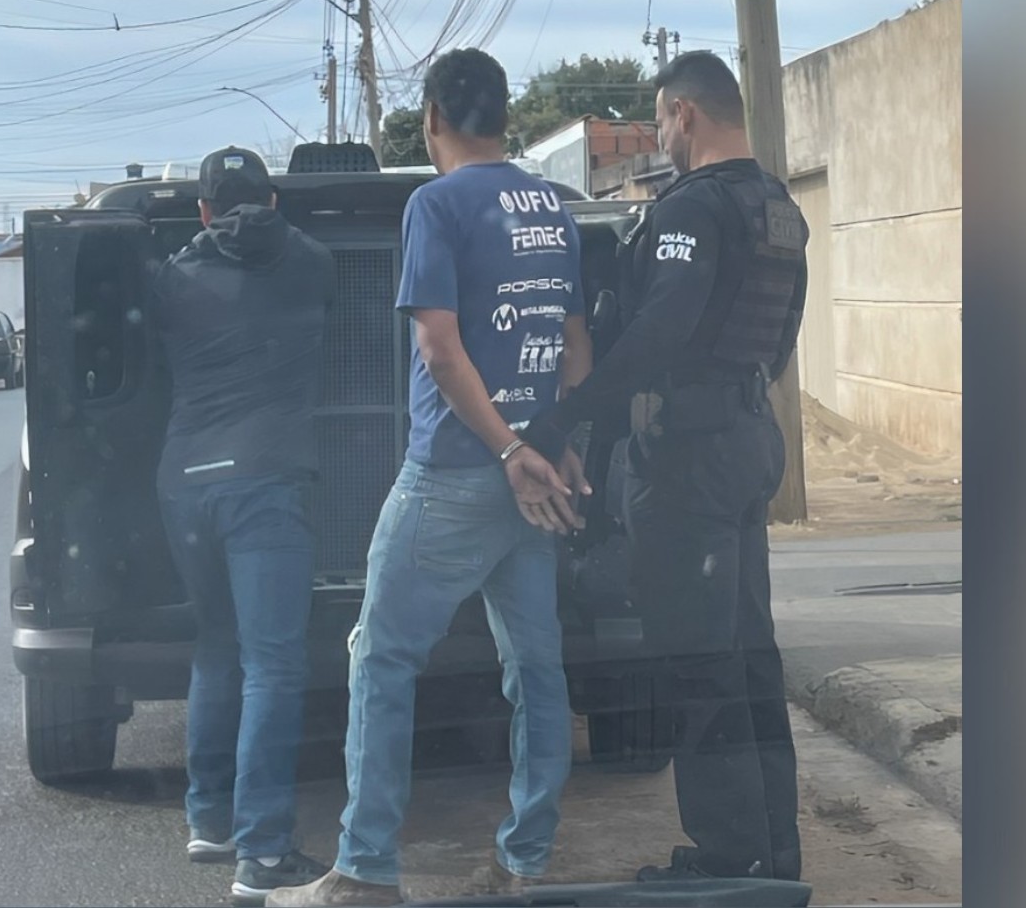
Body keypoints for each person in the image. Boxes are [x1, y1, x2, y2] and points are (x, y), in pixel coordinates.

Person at [268, 49, 591, 908]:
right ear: (508, 116)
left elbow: (440, 350)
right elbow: (572, 342)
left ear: (433, 120)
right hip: (533, 474)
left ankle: (365, 871)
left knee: (380, 659)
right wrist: (554, 445)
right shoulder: (552, 209)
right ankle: (525, 862)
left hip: (458, 469)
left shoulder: (435, 204)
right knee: (536, 667)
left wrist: (503, 452)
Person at [519, 51, 811, 884]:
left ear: (685, 114)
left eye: (660, 119)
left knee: (697, 656)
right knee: (750, 650)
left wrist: (568, 414)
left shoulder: (693, 212)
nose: (661, 136)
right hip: (747, 437)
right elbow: (780, 340)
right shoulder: (777, 208)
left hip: (688, 452)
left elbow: (658, 334)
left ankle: (726, 856)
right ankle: (771, 846)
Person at [151, 146, 337, 905]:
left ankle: (210, 820)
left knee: (216, 642)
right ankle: (262, 854)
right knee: (273, 663)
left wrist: (197, 243)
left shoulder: (171, 277)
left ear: (201, 210)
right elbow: (296, 260)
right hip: (262, 480)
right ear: (274, 201)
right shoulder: (311, 264)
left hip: (184, 484)